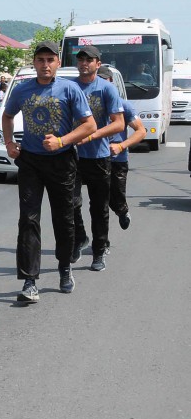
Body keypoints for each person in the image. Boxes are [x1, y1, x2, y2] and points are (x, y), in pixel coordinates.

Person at [2, 41, 96, 303]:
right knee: (28, 219)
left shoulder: (70, 88)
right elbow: (8, 116)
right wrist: (10, 143)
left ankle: (64, 268)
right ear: (34, 62)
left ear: (57, 63)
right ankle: (29, 280)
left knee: (63, 218)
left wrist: (62, 141)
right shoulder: (22, 90)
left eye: (50, 60)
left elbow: (89, 125)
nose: (45, 65)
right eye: (40, 60)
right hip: (31, 161)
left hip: (62, 161)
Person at [71, 47, 125, 272]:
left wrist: (92, 135)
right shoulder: (70, 87)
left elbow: (119, 123)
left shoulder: (106, 89)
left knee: (99, 207)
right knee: (70, 202)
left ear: (97, 63)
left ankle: (99, 250)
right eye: (81, 59)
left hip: (98, 156)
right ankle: (80, 236)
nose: (84, 63)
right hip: (71, 156)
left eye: (89, 60)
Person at [97, 65, 146, 241]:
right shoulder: (90, 104)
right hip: (95, 159)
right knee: (99, 202)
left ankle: (122, 210)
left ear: (111, 82)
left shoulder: (123, 105)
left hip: (118, 159)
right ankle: (102, 242)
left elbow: (141, 131)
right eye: (98, 79)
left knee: (115, 197)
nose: (102, 83)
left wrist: (121, 145)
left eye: (105, 80)